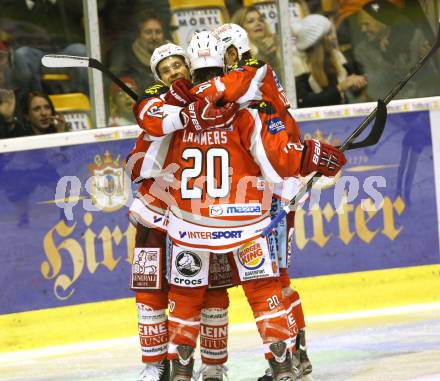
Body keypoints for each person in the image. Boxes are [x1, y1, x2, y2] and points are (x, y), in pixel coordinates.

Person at [127, 42, 237, 381]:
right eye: (165, 69)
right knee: (151, 291)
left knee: (212, 290)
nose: (174, 71)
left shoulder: (218, 97)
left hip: (204, 213)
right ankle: (155, 363)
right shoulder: (155, 103)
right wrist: (175, 104)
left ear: (192, 65)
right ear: (158, 78)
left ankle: (214, 366)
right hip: (157, 209)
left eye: (178, 64)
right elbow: (143, 151)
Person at [214, 23, 312, 379]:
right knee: (279, 277)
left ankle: (292, 357)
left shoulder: (252, 74)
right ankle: (298, 356)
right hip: (275, 188)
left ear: (237, 51)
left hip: (273, 192)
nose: (219, 62)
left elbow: (221, 97)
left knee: (273, 277)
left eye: (224, 53)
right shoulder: (257, 76)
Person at [292, 14, 367, 108]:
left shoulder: (336, 55)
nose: (334, 37)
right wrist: (339, 88)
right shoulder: (299, 64)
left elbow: (352, 87)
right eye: (329, 34)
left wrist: (358, 84)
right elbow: (302, 101)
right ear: (318, 41)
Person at [110, 10, 167, 90]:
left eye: (158, 32)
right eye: (148, 32)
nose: (154, 37)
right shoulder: (126, 61)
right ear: (139, 35)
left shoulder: (172, 57)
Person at [231, 6, 281, 74]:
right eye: (251, 21)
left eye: (261, 20)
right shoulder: (236, 54)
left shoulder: (275, 43)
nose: (258, 23)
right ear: (239, 29)